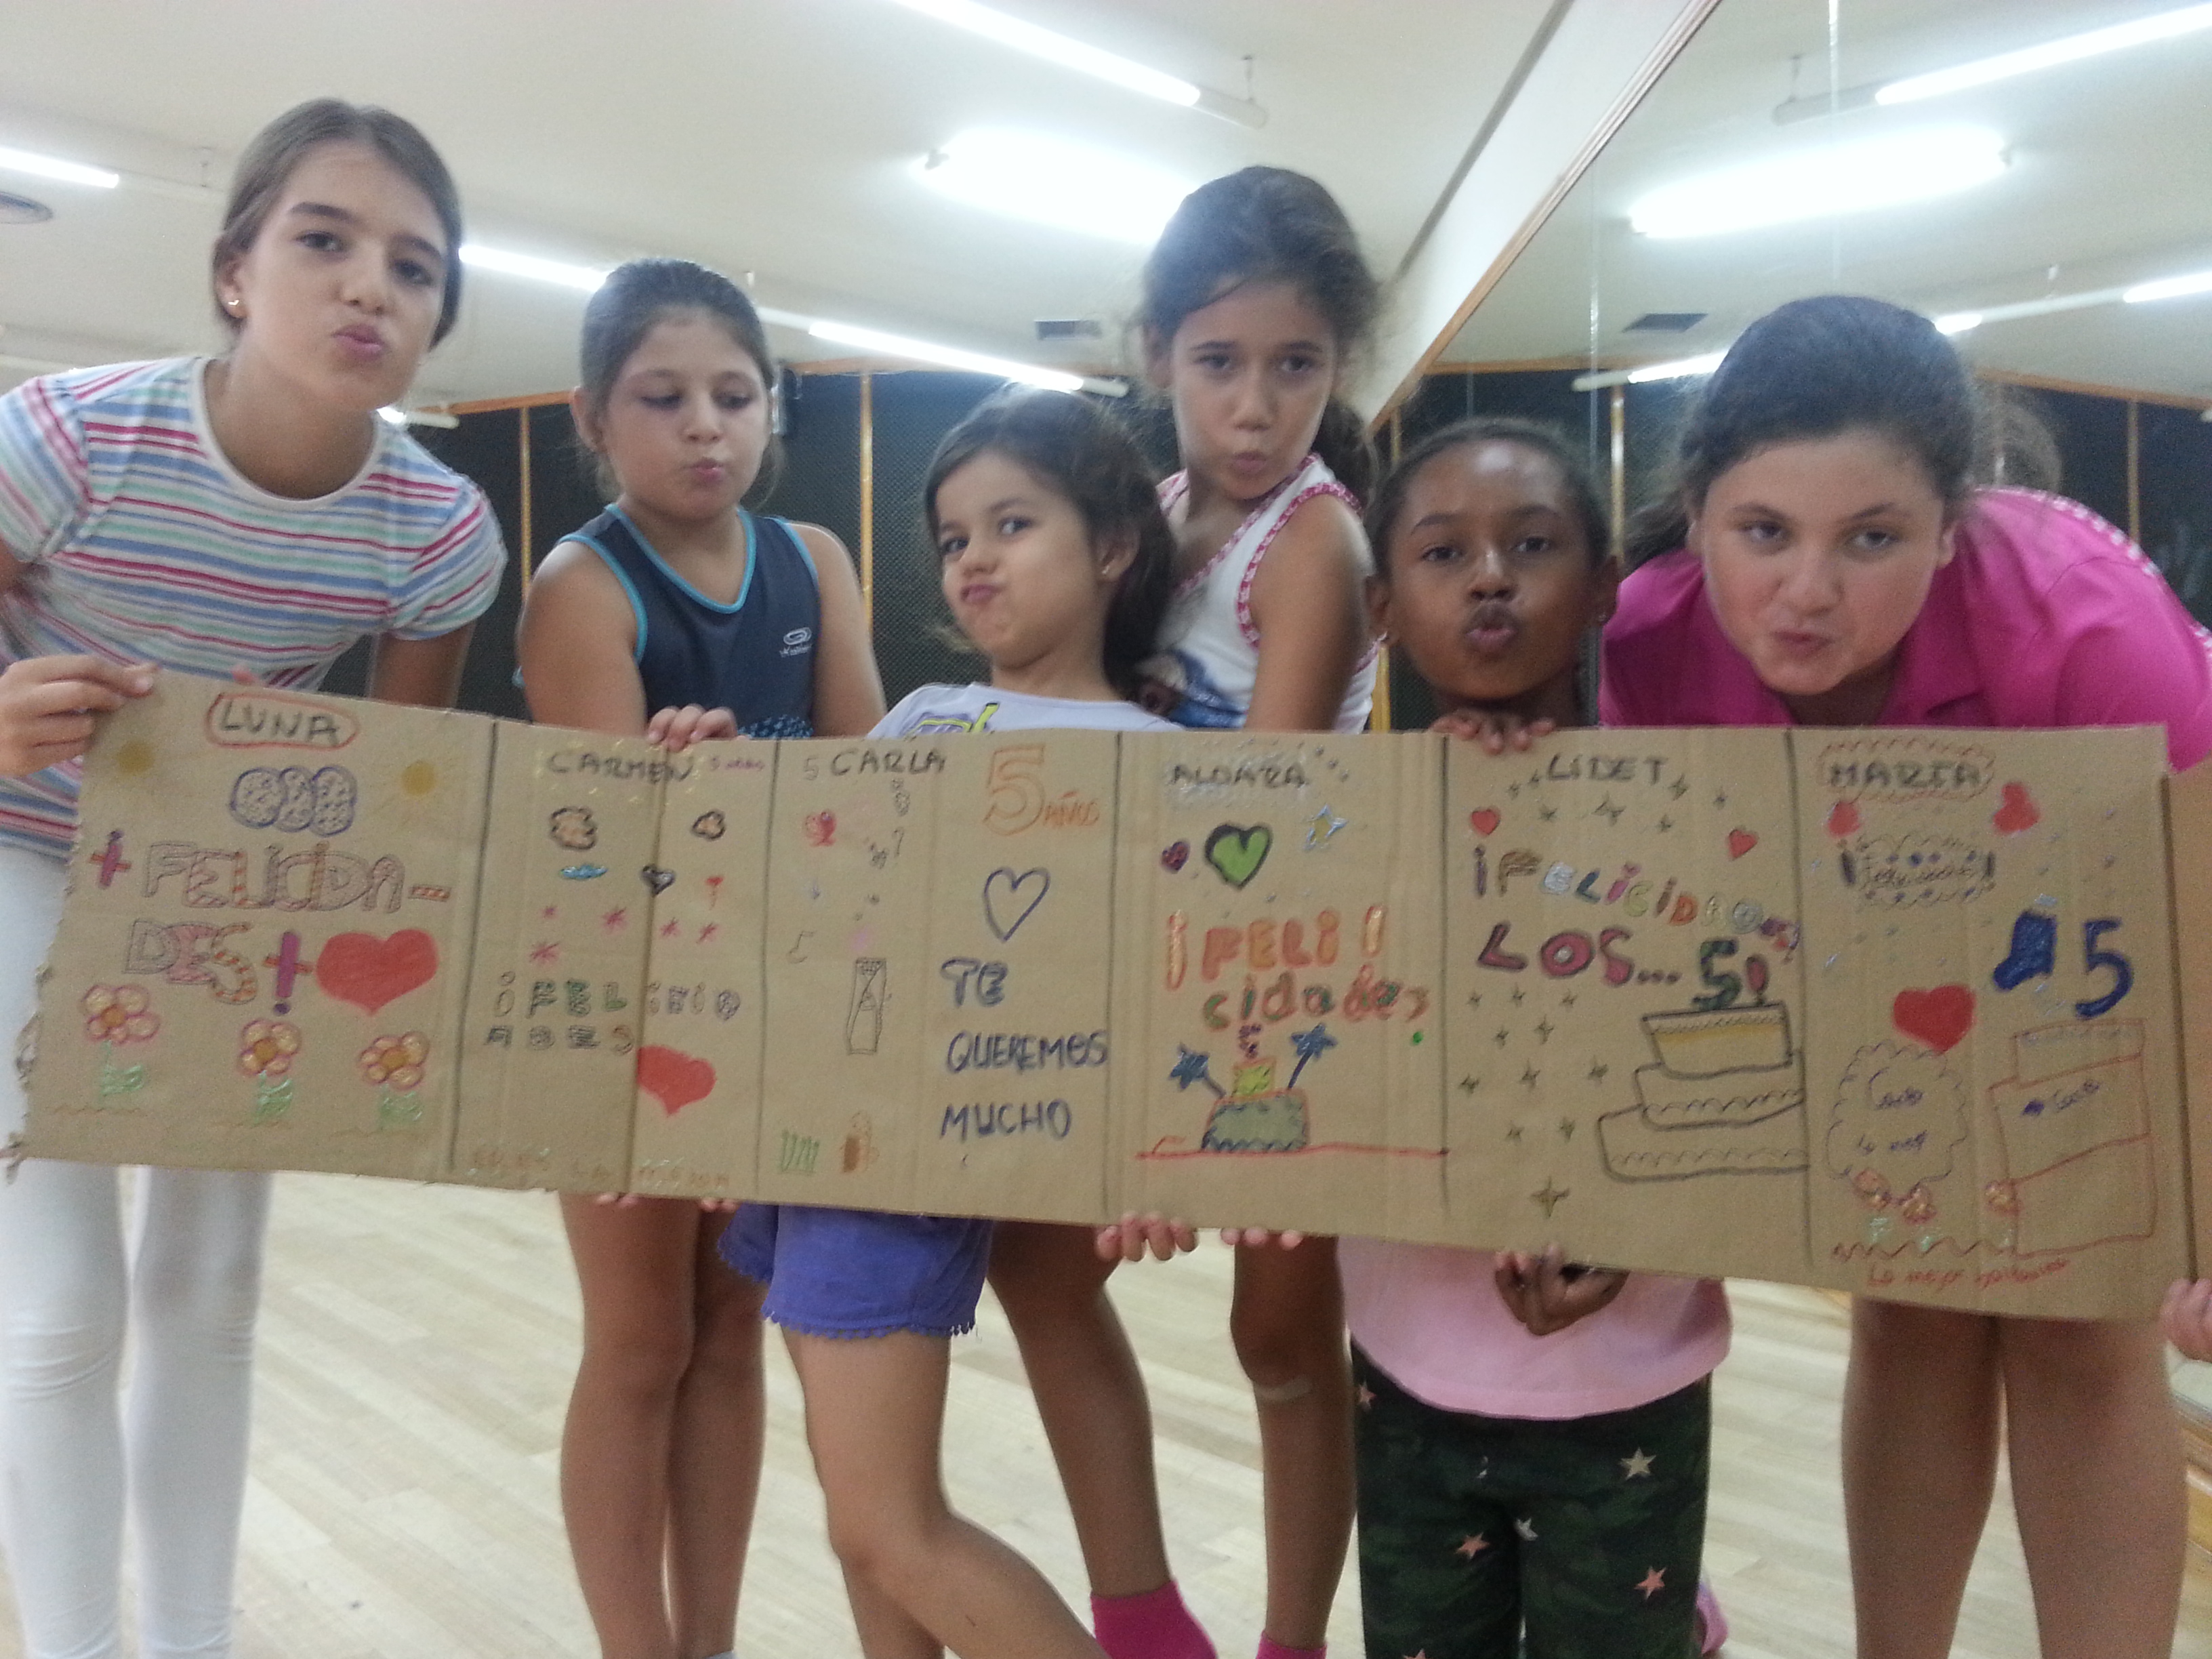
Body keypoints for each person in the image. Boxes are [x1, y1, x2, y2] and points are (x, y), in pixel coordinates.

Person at [1603, 293, 2212, 1659]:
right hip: (1856, 946)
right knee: (1910, 1302)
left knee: (2082, 1327)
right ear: (1698, 517)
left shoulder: (2086, 621)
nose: (1810, 591)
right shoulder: (1651, 637)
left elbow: (2201, 914)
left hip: (2106, 931)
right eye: (1766, 533)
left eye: (1871, 539)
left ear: (1949, 528)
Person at [0, 98, 505, 1659]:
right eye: (324, 241)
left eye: (414, 268)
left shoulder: (436, 533)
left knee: (212, 1287)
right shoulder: (67, 439)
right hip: (25, 852)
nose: (369, 287)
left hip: (234, 890)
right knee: (61, 1305)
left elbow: (396, 795)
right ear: (235, 271)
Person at [987, 165, 1380, 1659]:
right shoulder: (1142, 515)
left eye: (1297, 366)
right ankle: (1145, 1611)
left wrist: (1173, 1104)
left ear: (1338, 367)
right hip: (1128, 959)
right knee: (1040, 1267)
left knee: (1282, 1342)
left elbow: (1257, 825)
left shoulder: (1318, 543)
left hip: (1276, 978)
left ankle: (1291, 1641)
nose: (1256, 406)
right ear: (1156, 352)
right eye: (1219, 362)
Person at [722, 384, 1175, 1658]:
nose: (975, 559)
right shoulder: (922, 716)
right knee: (860, 1518)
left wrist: (1155, 1157)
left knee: (887, 1525)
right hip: (815, 1138)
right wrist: (717, 772)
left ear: (1113, 545)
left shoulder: (1147, 753)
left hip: (909, 1164)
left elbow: (1150, 993)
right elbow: (815, 897)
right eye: (956, 536)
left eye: (1014, 524)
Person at [516, 258, 883, 1659]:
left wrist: (755, 797)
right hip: (618, 1009)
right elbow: (612, 868)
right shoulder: (580, 587)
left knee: (729, 1334)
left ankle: (709, 1643)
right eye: (662, 398)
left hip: (773, 1000)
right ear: (593, 418)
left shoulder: (817, 561)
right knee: (639, 1343)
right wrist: (684, 801)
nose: (705, 426)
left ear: (772, 404)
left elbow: (866, 793)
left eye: (735, 394)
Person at [1345, 417, 1726, 1659]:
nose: (1491, 579)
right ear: (1382, 606)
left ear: (1606, 582)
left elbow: (1725, 1074)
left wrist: (1636, 1229)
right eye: (1443, 553)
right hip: (1407, 1378)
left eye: (1534, 544)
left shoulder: (1694, 820)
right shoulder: (1344, 833)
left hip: (1632, 1384)